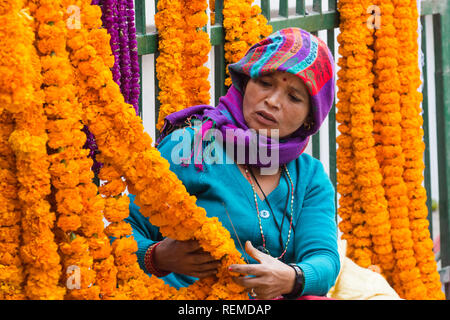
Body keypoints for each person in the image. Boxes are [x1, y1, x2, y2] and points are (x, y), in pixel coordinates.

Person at [126, 27, 340, 300]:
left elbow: (324, 259)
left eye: (294, 97)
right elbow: (121, 232)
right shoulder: (190, 148)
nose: (273, 101)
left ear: (310, 119)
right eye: (265, 83)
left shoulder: (308, 177)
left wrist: (291, 278)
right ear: (244, 82)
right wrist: (158, 257)